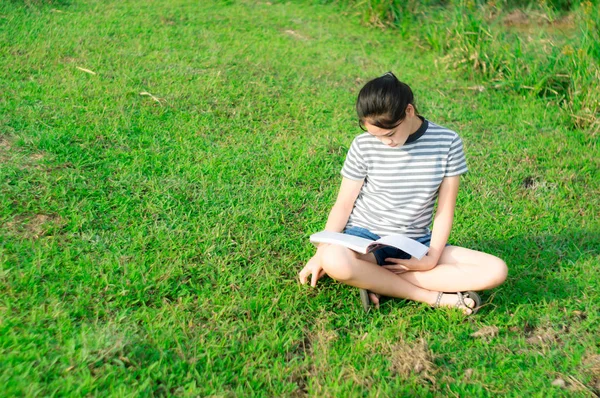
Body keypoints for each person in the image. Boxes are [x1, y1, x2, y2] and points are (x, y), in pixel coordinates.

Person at [298, 72, 507, 314]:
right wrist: (320, 253)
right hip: (363, 240)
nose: (385, 142)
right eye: (376, 135)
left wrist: (431, 257)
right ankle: (430, 297)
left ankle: (375, 281)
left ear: (409, 111)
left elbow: (445, 209)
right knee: (335, 259)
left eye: (389, 134)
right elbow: (344, 204)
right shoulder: (363, 144)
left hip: (416, 242)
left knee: (495, 270)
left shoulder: (447, 142)